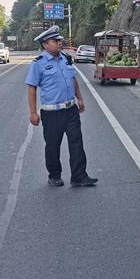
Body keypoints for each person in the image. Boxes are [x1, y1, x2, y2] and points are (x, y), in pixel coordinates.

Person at [26, 25, 98, 187]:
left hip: (70, 110)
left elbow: (72, 80)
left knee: (76, 142)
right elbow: (32, 88)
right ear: (45, 44)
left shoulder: (65, 58)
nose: (59, 43)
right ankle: (54, 175)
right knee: (53, 145)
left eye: (59, 40)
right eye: (55, 41)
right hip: (52, 113)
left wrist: (79, 99)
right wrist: (33, 112)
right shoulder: (38, 64)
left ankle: (79, 176)